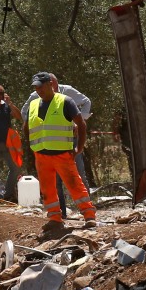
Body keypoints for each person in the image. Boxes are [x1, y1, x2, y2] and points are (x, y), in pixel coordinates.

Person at [26, 71, 97, 230]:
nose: (38, 90)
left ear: (51, 85)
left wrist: (80, 147)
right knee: (47, 188)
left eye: (41, 86)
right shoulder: (33, 104)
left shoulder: (66, 101)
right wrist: (32, 147)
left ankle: (89, 215)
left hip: (62, 154)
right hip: (41, 155)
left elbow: (81, 124)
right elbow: (26, 126)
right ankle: (55, 218)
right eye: (36, 88)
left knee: (75, 185)